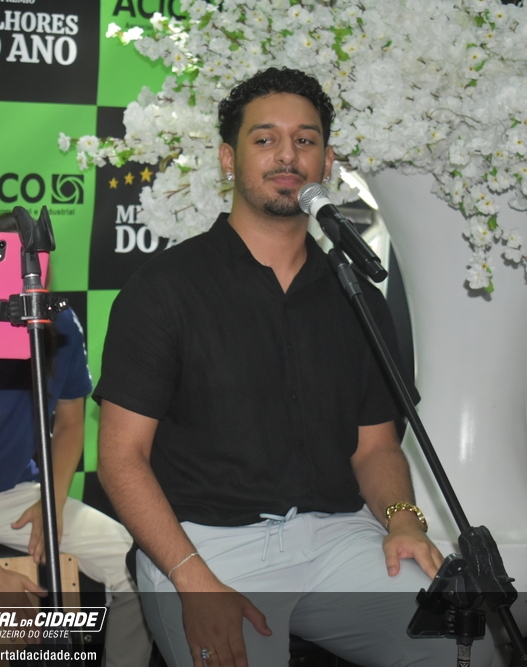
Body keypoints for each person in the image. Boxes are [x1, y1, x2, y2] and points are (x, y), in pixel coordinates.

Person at [94, 68, 495, 667]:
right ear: (228, 159)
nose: (287, 155)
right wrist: (192, 578)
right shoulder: (164, 289)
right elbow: (121, 458)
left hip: (337, 537)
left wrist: (404, 521)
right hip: (203, 544)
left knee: (470, 644)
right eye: (265, 139)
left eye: (305, 140)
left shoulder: (356, 295)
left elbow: (375, 448)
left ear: (326, 161)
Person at [0, 213, 153, 667]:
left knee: (132, 562)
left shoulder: (62, 326)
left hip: (15, 495)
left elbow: (72, 425)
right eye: (11, 265)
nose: (27, 277)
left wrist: (51, 502)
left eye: (37, 265)